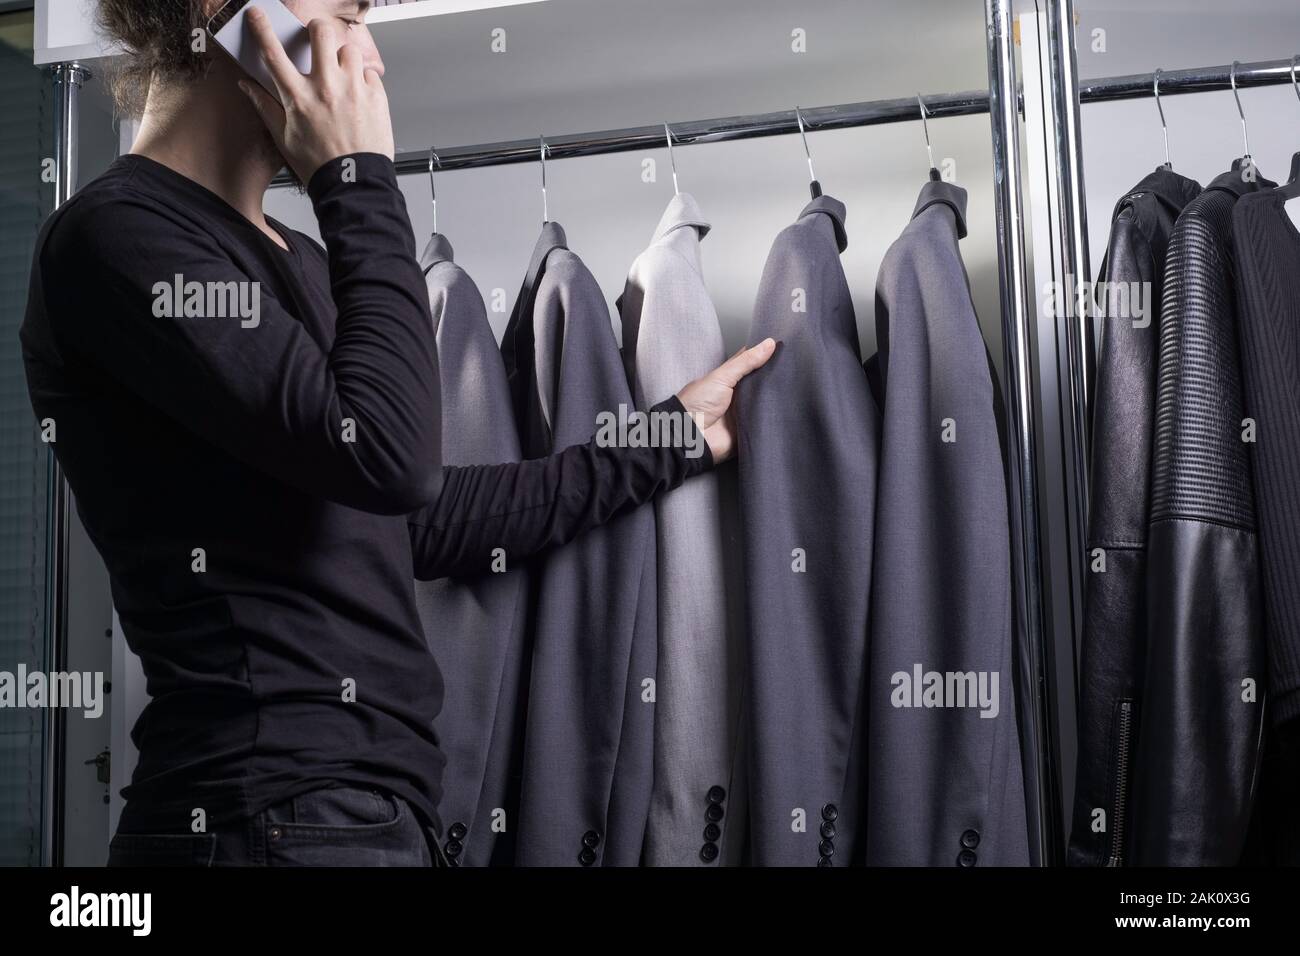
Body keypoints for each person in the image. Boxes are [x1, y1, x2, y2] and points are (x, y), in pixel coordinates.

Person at [20, 0, 775, 867]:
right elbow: (387, 458)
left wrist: (670, 438)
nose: (371, 58)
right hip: (266, 816)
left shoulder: (298, 259)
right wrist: (356, 177)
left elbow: (421, 517)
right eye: (345, 13)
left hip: (363, 815)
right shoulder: (117, 237)